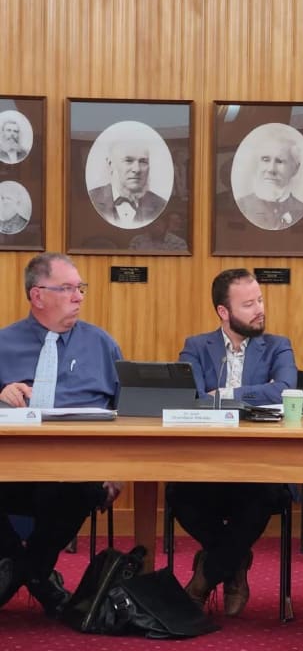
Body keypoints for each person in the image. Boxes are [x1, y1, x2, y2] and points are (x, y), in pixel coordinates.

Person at [168, 268, 298, 617]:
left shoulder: (277, 346)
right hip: (206, 461)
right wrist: (254, 393)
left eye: (260, 300)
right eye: (248, 304)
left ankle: (202, 581)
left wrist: (226, 394)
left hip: (261, 463)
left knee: (264, 496)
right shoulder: (196, 346)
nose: (259, 309)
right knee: (178, 495)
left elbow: (284, 389)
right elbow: (193, 396)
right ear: (223, 312)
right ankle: (235, 561)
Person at [0, 253, 123, 616]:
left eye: (80, 288)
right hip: (12, 469)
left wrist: (118, 469)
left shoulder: (102, 345)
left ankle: (22, 571)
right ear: (38, 296)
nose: (79, 296)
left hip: (77, 471)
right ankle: (30, 570)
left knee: (77, 489)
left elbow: (130, 414)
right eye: (67, 288)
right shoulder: (3, 344)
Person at [88, 139, 168, 229]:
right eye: (128, 160)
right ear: (110, 164)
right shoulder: (91, 200)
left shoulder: (160, 204)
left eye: (143, 161)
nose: (137, 169)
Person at [236, 133, 303, 230]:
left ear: (295, 169)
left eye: (279, 161)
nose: (271, 169)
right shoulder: (241, 206)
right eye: (265, 160)